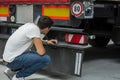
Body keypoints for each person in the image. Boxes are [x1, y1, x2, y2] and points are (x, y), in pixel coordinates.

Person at [2, 16, 58, 80]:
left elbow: (36, 39)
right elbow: (41, 52)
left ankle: (11, 71)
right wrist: (38, 51)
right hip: (12, 61)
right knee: (45, 59)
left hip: (7, 59)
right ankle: (19, 76)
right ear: (46, 28)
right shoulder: (35, 30)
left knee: (31, 54)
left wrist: (47, 42)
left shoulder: (30, 25)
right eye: (49, 28)